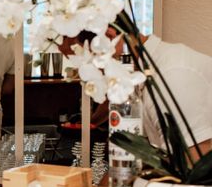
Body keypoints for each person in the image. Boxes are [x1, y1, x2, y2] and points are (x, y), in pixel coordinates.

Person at [59, 28, 212, 161]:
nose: (85, 72)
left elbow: (193, 168)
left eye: (85, 61)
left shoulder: (172, 76)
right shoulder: (139, 72)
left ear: (109, 38)